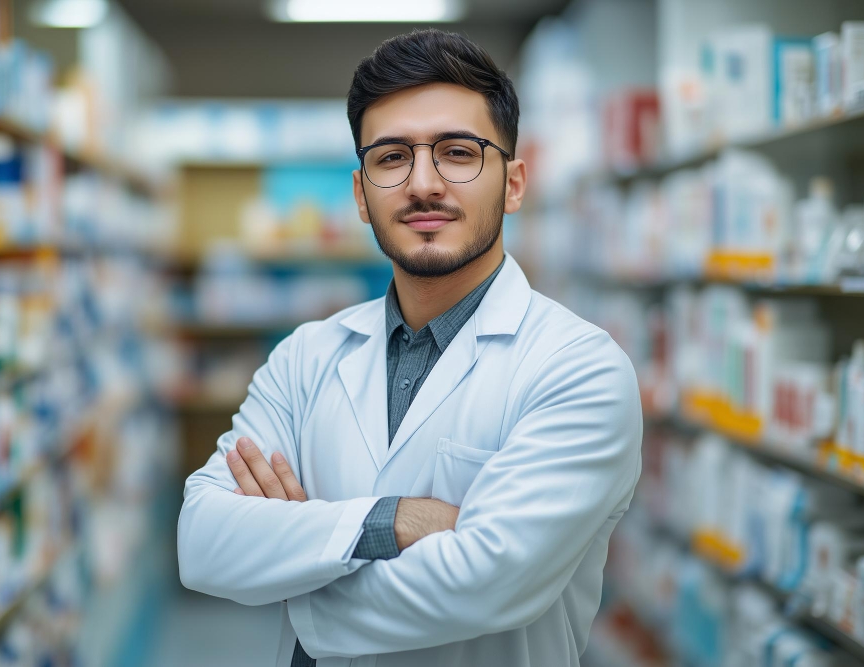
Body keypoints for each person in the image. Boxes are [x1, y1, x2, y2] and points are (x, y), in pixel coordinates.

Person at [178, 29, 642, 667]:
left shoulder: (579, 369)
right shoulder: (305, 358)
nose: (423, 184)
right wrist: (395, 519)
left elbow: (486, 584)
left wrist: (290, 564)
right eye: (392, 157)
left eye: (458, 152)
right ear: (360, 194)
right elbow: (202, 541)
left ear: (513, 183)